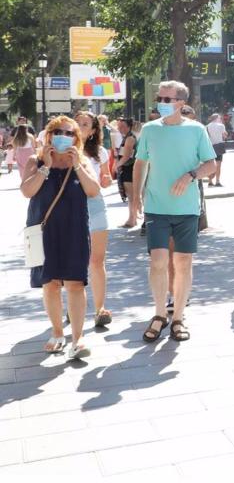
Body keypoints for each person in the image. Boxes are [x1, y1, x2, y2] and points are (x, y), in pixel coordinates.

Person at [132, 81, 217, 343]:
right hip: (157, 207)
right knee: (157, 261)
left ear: (181, 102)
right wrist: (135, 197)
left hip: (187, 209)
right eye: (160, 98)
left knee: (183, 263)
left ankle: (178, 317)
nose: (162, 102)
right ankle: (159, 314)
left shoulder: (196, 130)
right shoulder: (149, 130)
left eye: (167, 99)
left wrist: (191, 175)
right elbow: (140, 163)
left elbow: (211, 164)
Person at [20, 116, 101, 359]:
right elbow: (27, 191)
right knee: (51, 284)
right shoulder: (36, 160)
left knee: (75, 284)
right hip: (44, 232)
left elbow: (94, 191)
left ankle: (78, 339)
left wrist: (77, 165)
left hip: (74, 230)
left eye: (68, 133)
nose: (62, 136)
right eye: (57, 131)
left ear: (76, 138)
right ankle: (57, 333)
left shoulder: (82, 161)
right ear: (48, 135)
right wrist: (45, 165)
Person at [76, 111, 115, 328]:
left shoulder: (100, 152)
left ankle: (100, 309)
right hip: (71, 208)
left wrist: (107, 178)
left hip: (95, 205)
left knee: (97, 261)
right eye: (78, 123)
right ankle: (76, 306)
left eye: (85, 124)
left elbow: (105, 178)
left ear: (92, 131)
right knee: (75, 260)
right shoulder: (62, 150)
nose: (81, 127)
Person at [115, 118, 140, 228]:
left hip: (129, 168)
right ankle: (133, 218)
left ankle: (132, 219)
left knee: (131, 196)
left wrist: (117, 165)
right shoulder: (127, 137)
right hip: (127, 168)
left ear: (129, 126)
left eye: (123, 127)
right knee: (131, 195)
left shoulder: (130, 138)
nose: (121, 129)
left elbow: (126, 156)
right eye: (119, 127)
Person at [207, 113, 227, 186]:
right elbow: (224, 136)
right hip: (219, 146)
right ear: (217, 118)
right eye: (219, 118)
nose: (220, 119)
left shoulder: (208, 126)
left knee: (210, 164)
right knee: (218, 165)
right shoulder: (221, 126)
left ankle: (210, 181)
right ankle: (217, 181)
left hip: (210, 147)